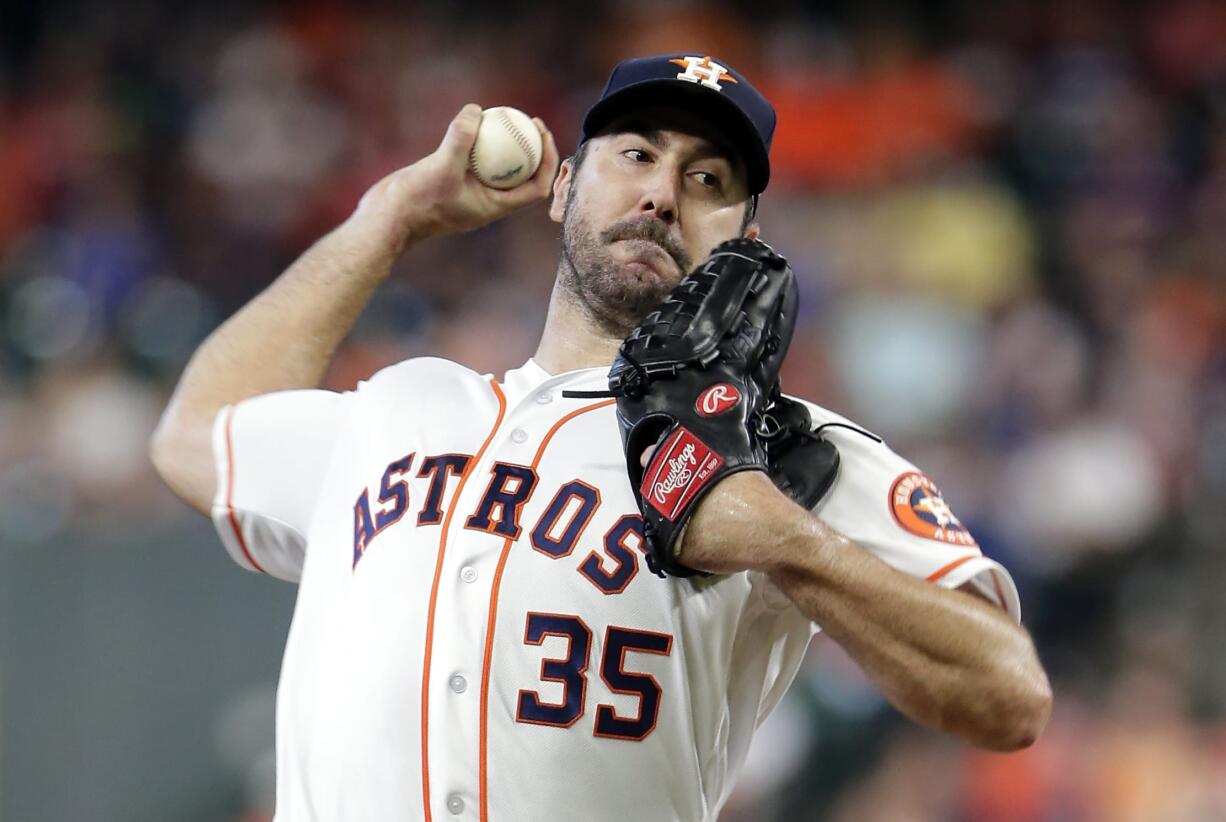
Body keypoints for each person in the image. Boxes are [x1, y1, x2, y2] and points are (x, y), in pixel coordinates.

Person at [151, 53, 1051, 821]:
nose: (662, 194)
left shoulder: (775, 444)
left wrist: (787, 542)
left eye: (708, 181)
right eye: (636, 155)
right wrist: (389, 222)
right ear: (566, 186)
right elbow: (194, 436)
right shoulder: (401, 407)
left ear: (745, 238)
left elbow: (1007, 693)